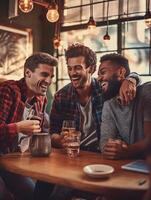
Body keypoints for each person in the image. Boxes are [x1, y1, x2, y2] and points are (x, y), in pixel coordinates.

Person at [34, 44, 139, 200]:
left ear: (91, 68)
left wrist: (132, 79)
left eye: (77, 68)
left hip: (100, 156)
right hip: (72, 155)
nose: (72, 73)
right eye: (69, 68)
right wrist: (58, 139)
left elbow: (127, 76)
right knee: (43, 183)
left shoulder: (105, 90)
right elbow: (52, 133)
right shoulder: (62, 96)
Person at [0, 52, 58, 200]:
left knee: (33, 194)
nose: (49, 80)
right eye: (44, 74)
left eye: (51, 76)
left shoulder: (41, 99)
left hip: (14, 160)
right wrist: (18, 127)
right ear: (28, 73)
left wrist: (56, 139)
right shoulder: (9, 90)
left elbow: (41, 133)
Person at [99, 53, 151, 161]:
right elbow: (104, 144)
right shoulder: (108, 105)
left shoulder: (147, 93)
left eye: (103, 72)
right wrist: (113, 149)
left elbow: (149, 141)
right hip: (128, 167)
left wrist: (126, 151)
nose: (99, 78)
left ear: (121, 72)